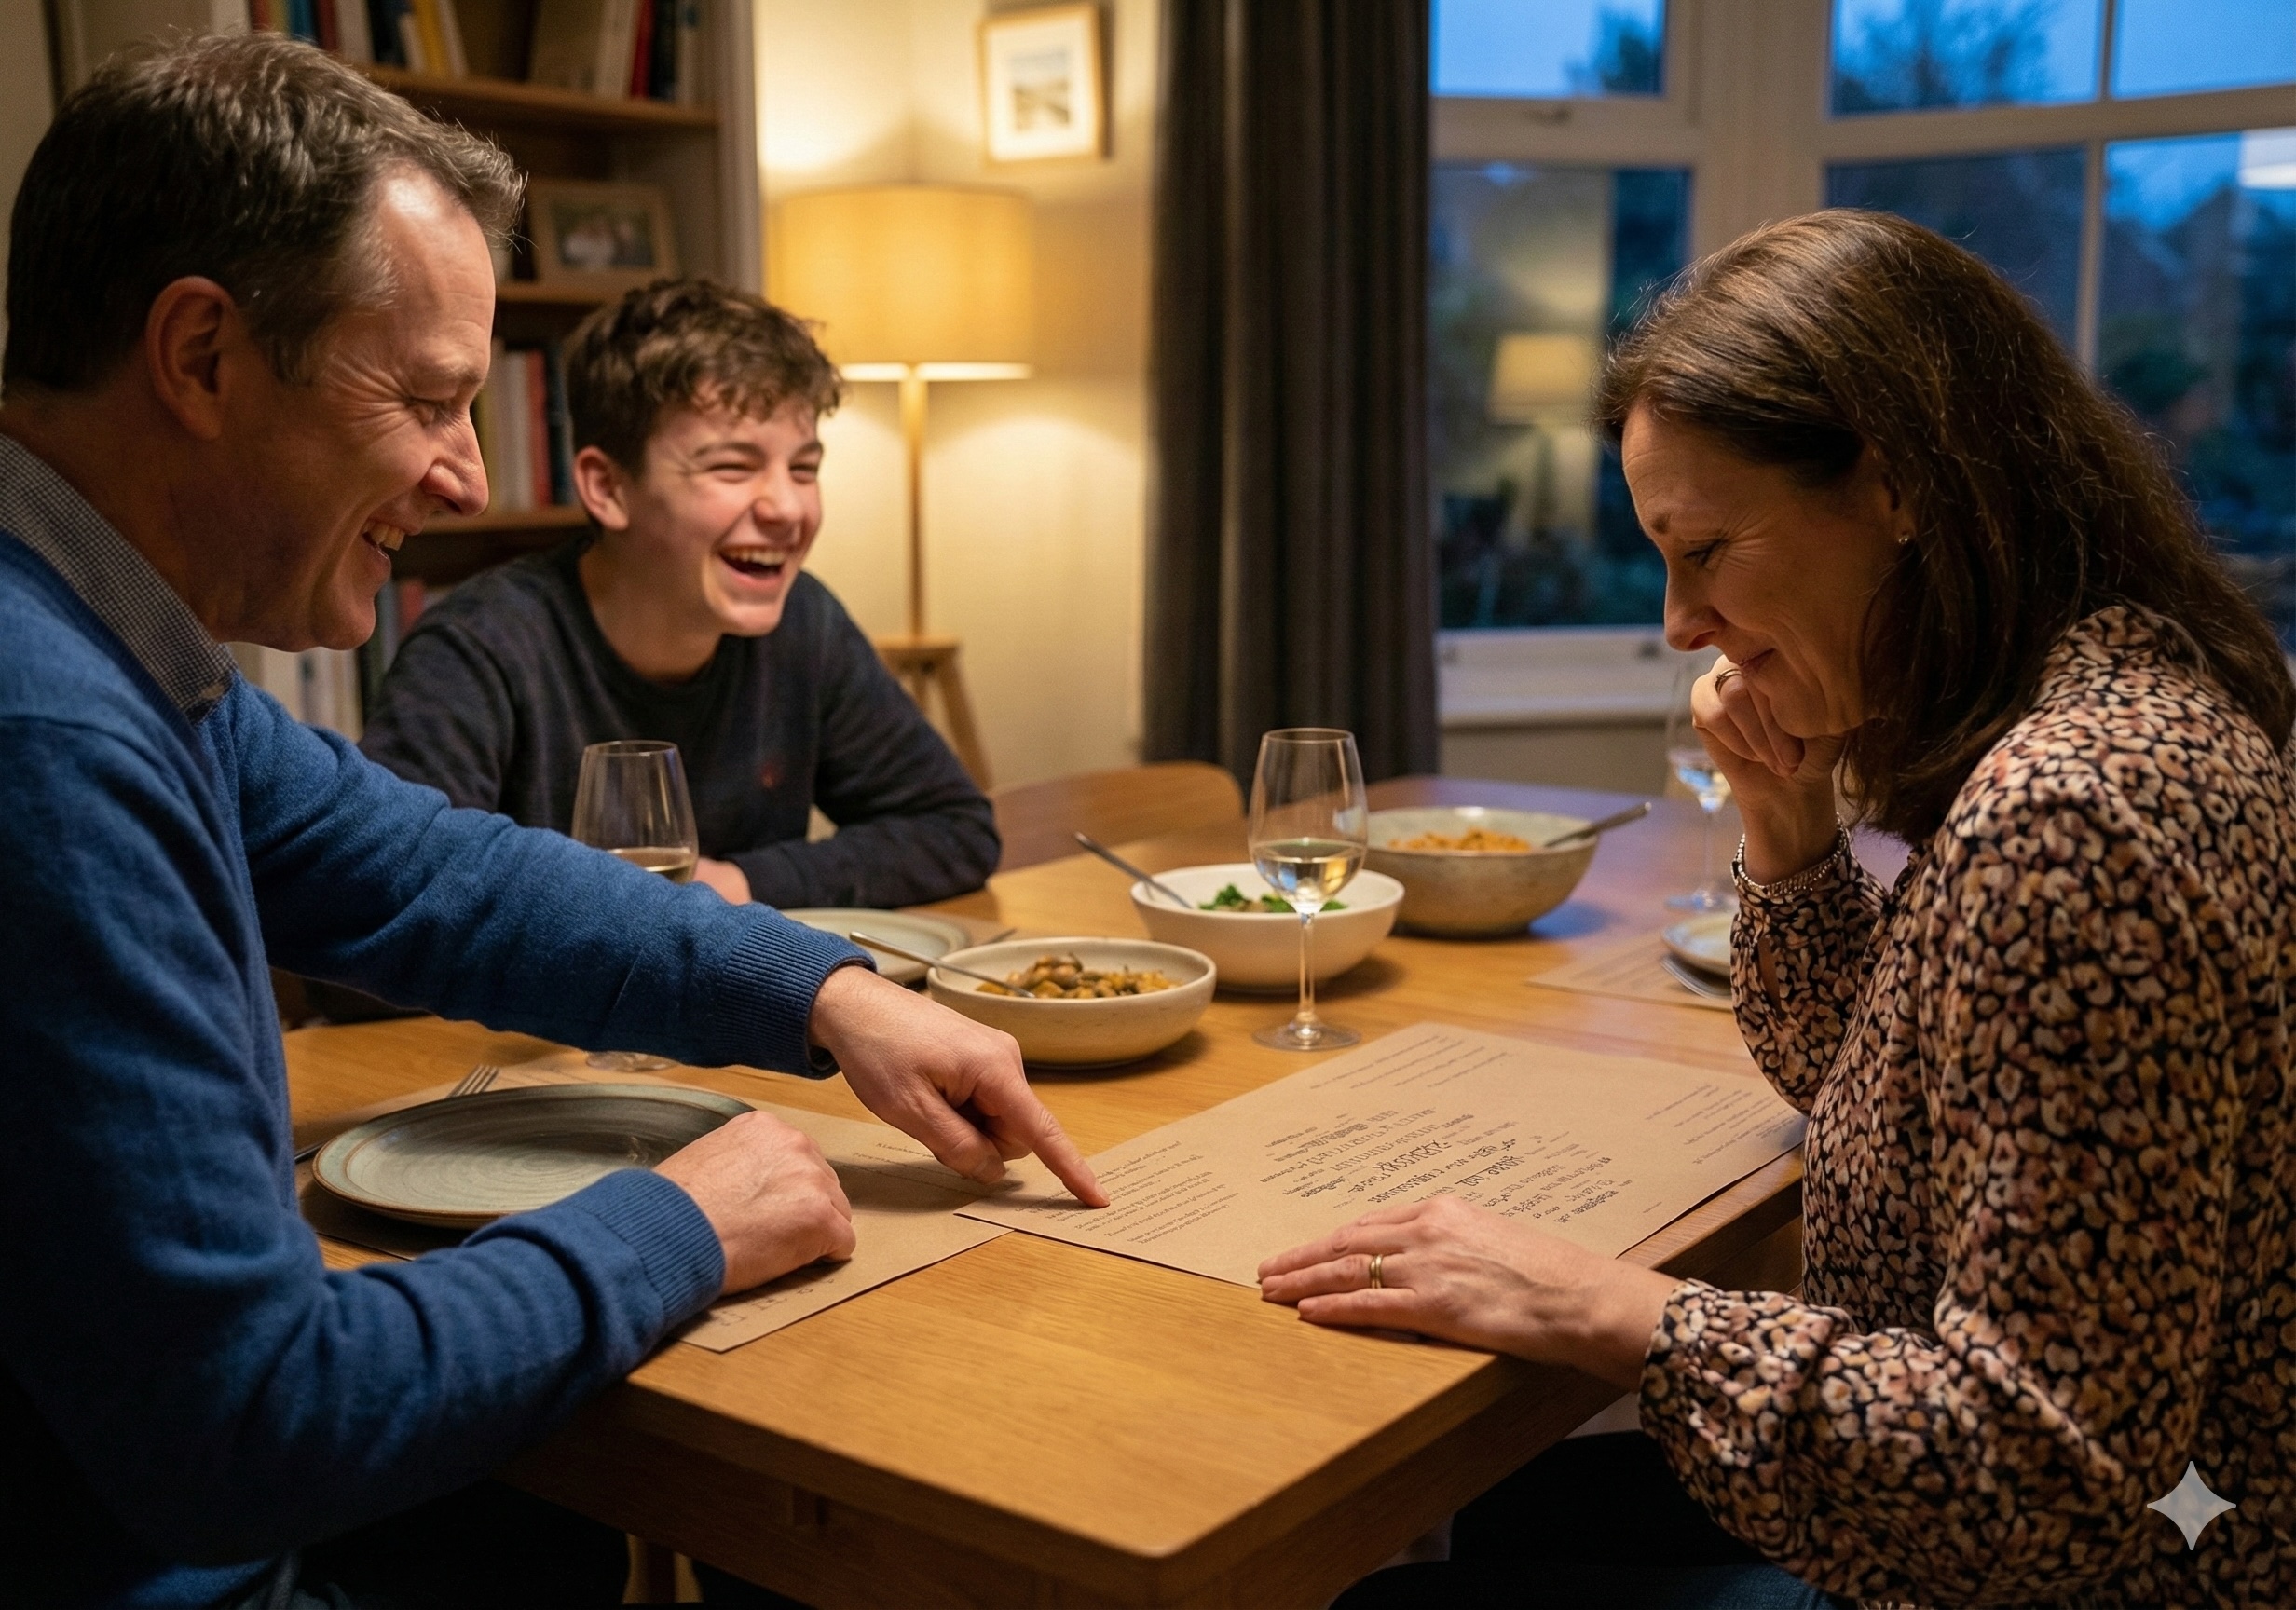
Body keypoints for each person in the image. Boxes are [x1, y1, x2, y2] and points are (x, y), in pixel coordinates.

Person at [0, 34, 1100, 1610]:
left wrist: (817, 987)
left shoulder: (114, 649)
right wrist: (676, 1223)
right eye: (431, 399)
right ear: (201, 357)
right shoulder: (44, 734)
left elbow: (439, 873)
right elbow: (245, 1420)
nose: (459, 475)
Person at [1259, 209, 2296, 1608]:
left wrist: (1606, 1306)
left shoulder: (2068, 817)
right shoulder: (2131, 683)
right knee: (1516, 1518)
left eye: (1708, 549)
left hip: (2145, 1572)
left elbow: (2041, 1477)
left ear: (1902, 486)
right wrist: (1790, 832)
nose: (1682, 622)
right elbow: (1880, 1085)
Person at [359, 277, 998, 911]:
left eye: (804, 468)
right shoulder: (480, 650)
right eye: (732, 467)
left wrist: (742, 887)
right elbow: (377, 908)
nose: (788, 508)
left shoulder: (804, 624)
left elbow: (956, 830)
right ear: (607, 488)